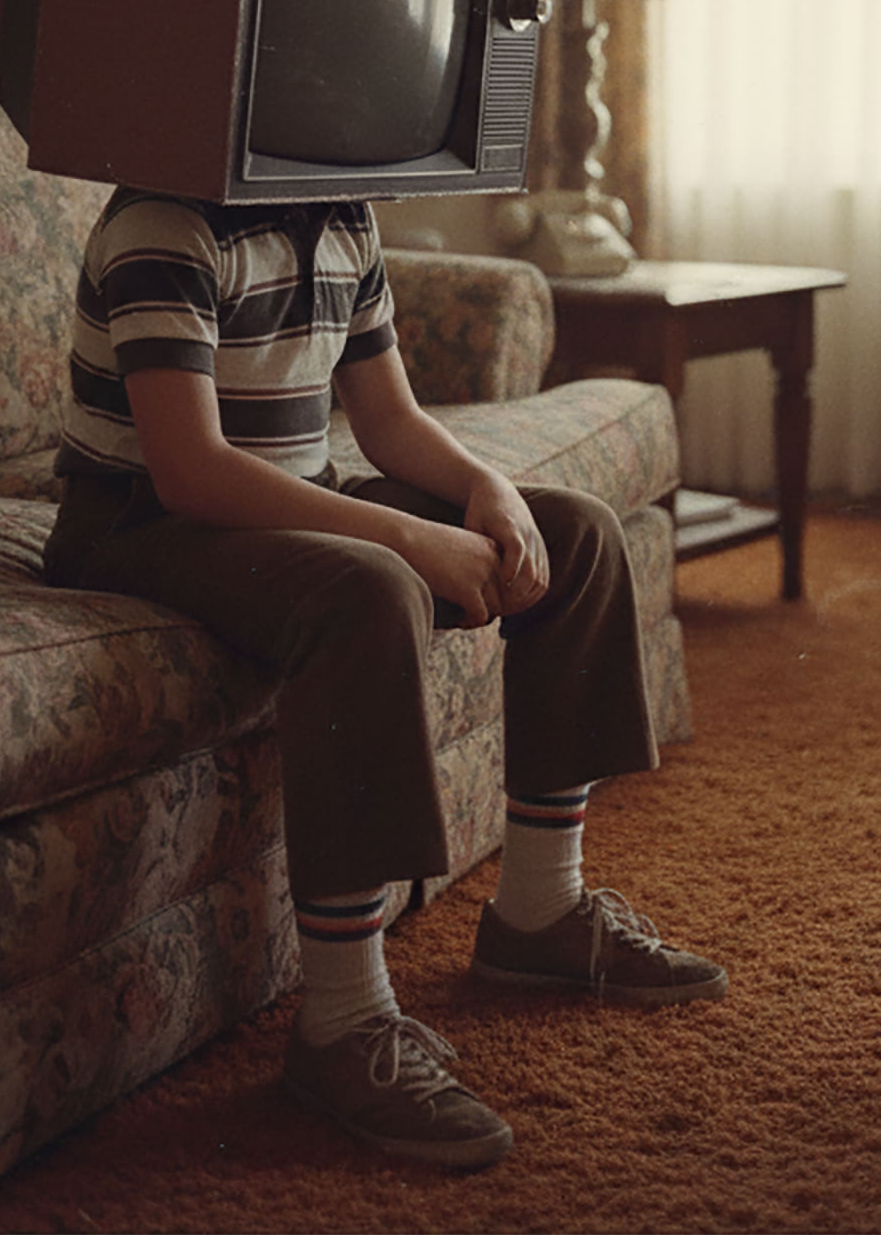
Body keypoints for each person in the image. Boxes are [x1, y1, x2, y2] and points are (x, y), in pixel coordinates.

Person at [42, 191, 726, 1170]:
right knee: (370, 587)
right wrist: (409, 535)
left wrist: (483, 490)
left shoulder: (342, 219)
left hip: (296, 490)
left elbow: (390, 417)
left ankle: (540, 908)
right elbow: (188, 470)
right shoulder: (163, 224)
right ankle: (343, 1021)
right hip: (136, 520)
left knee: (570, 533)